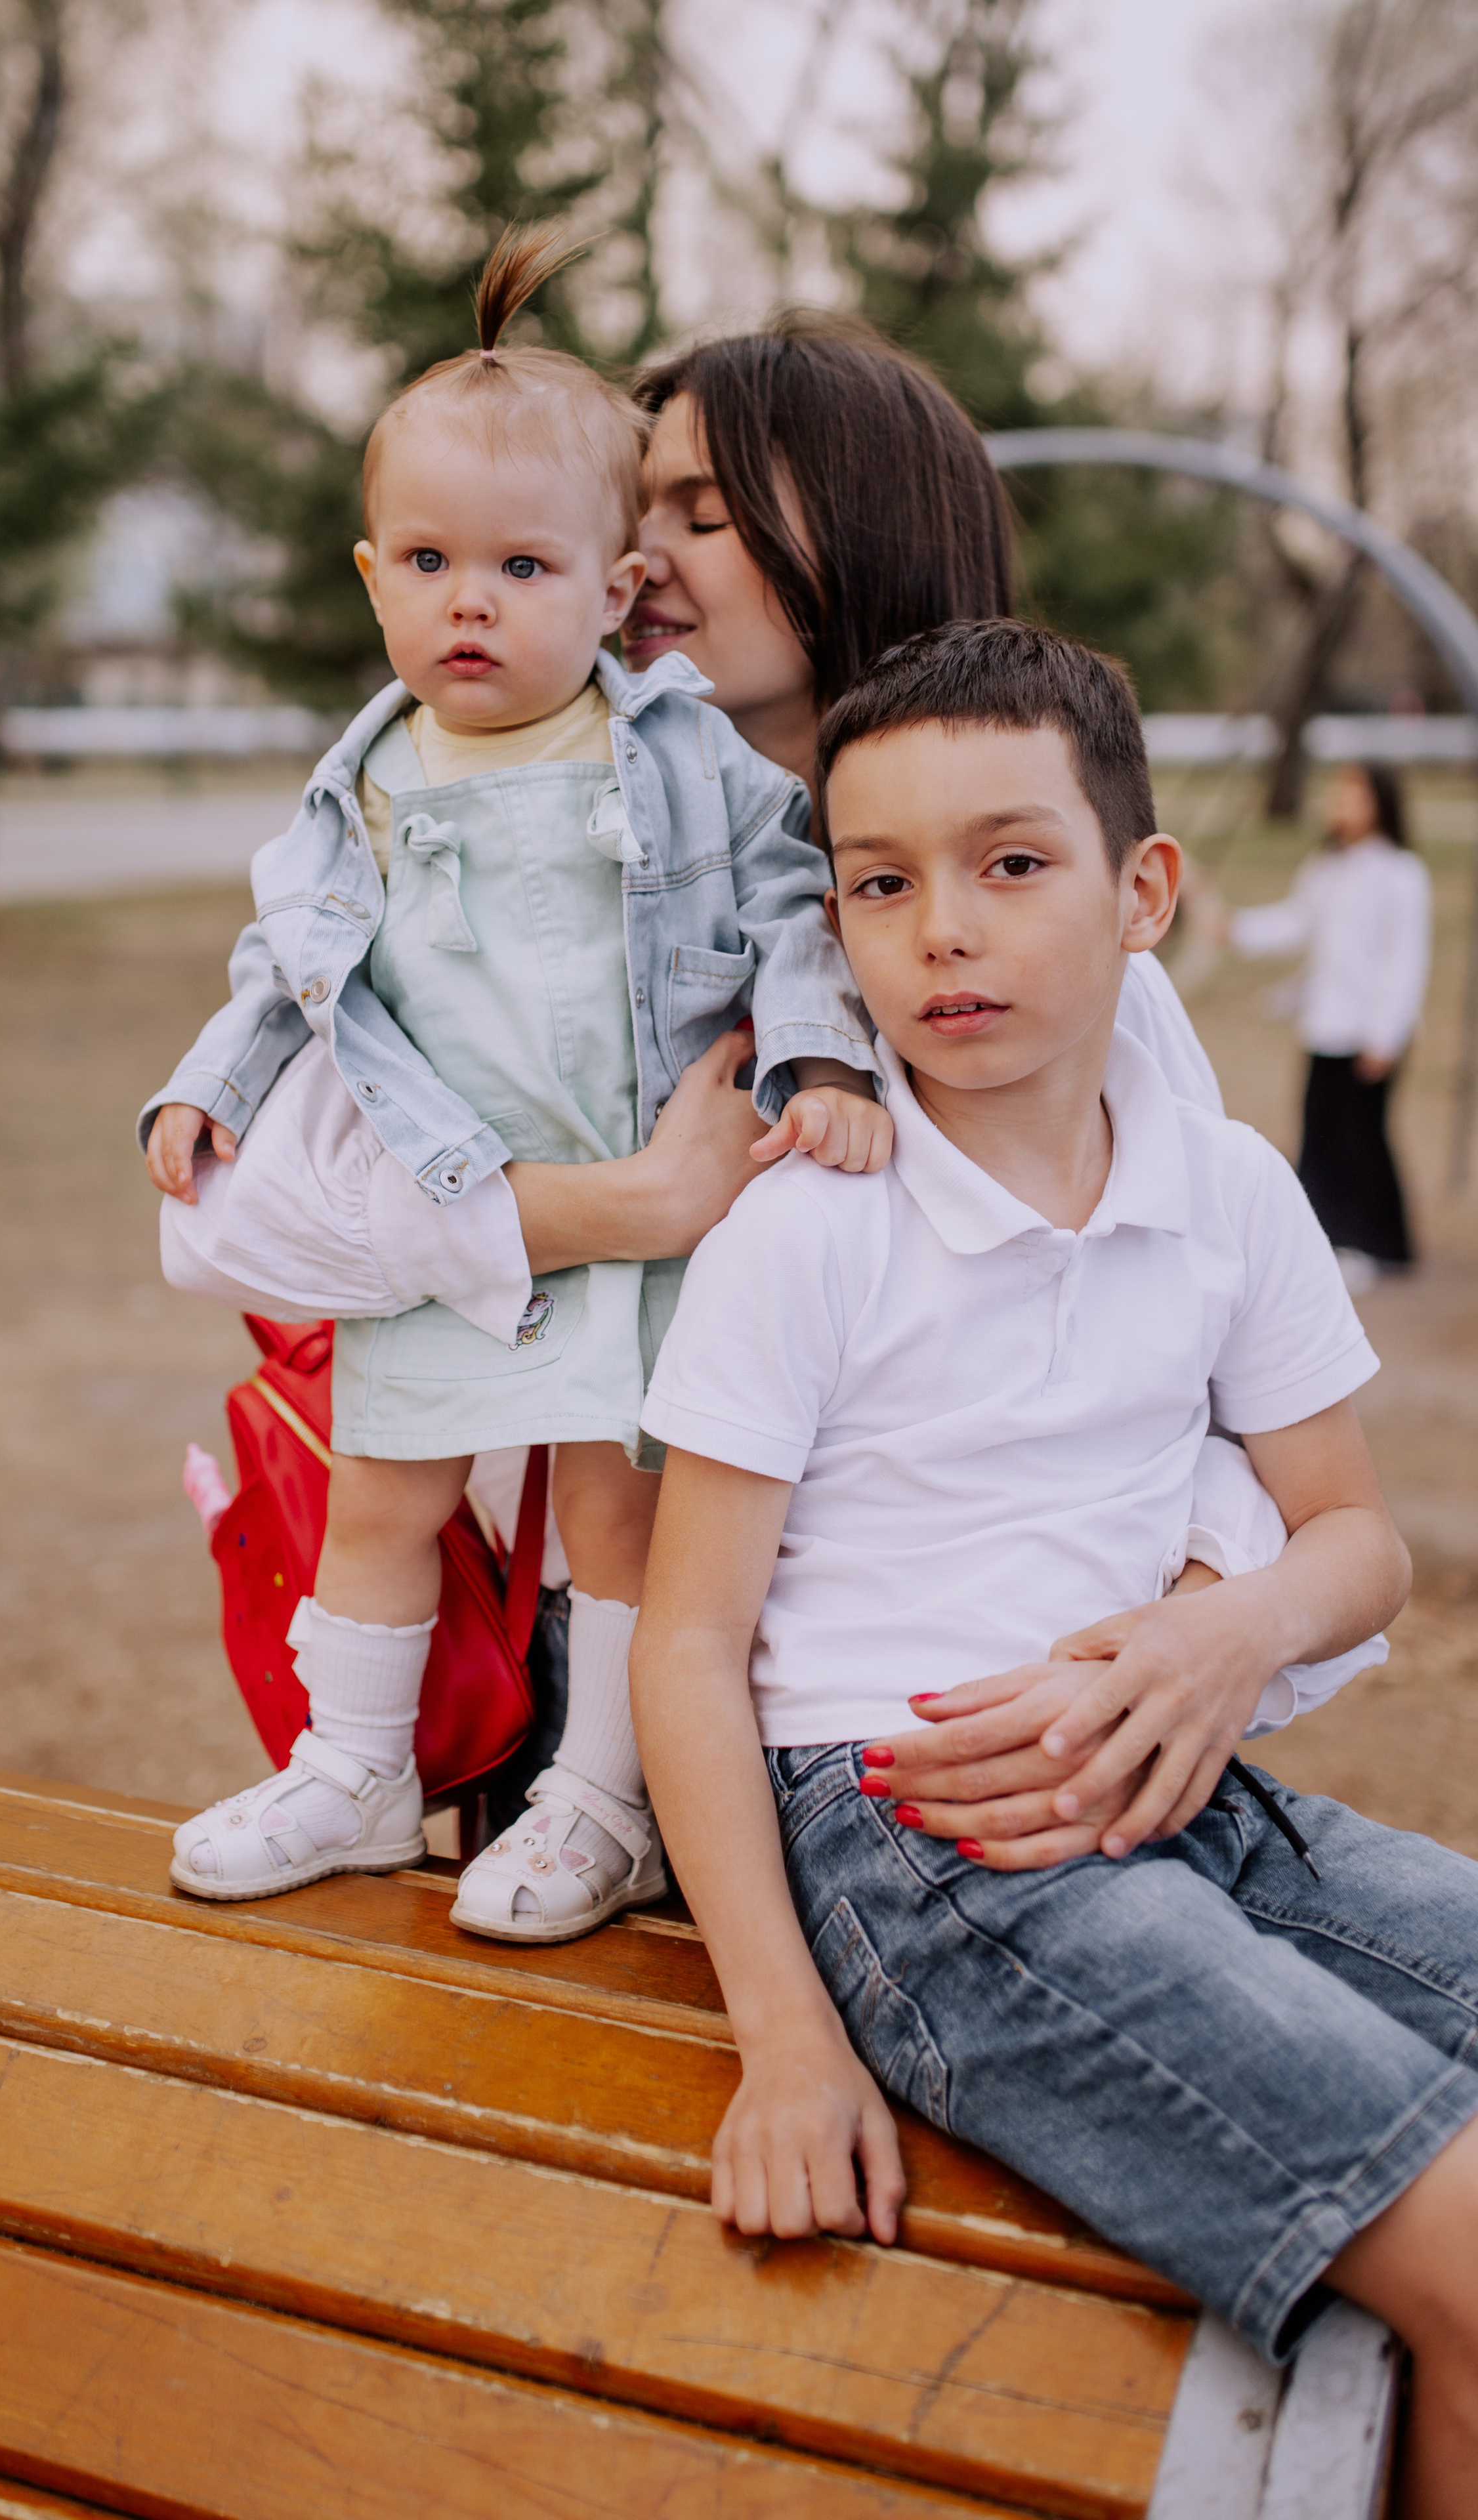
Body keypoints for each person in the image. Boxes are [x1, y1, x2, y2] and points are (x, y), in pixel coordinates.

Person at [630, 621, 1478, 2517]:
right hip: (931, 1848)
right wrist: (784, 2041)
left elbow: (1357, 1541)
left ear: (1143, 891)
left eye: (1012, 863)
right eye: (881, 882)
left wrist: (1224, 1636)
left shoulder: (1228, 1188)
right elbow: (687, 1648)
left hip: (1190, 1794)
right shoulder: (812, 1231)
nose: (944, 928)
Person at [142, 228, 887, 1941]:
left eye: (524, 567)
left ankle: (602, 1801)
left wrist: (824, 1058)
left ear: (608, 588)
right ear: (371, 575)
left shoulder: (680, 757)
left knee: (623, 1521)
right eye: (428, 561)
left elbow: (795, 915)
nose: (470, 602)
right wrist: (212, 1090)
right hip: (463, 1196)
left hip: (637, 1221)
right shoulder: (369, 779)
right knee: (383, 1494)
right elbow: (292, 962)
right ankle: (356, 1768)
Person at [1223, 760, 1431, 1293]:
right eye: (1337, 794)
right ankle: (1327, 1235)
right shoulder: (1327, 868)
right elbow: (1296, 924)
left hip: (1369, 1033)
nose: (1340, 804)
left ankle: (1374, 1243)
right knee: (1321, 1135)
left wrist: (1386, 1034)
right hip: (1325, 1027)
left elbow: (1404, 962)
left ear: (1380, 803)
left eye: (1353, 795)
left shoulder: (1402, 874)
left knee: (1362, 1138)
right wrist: (1236, 928)